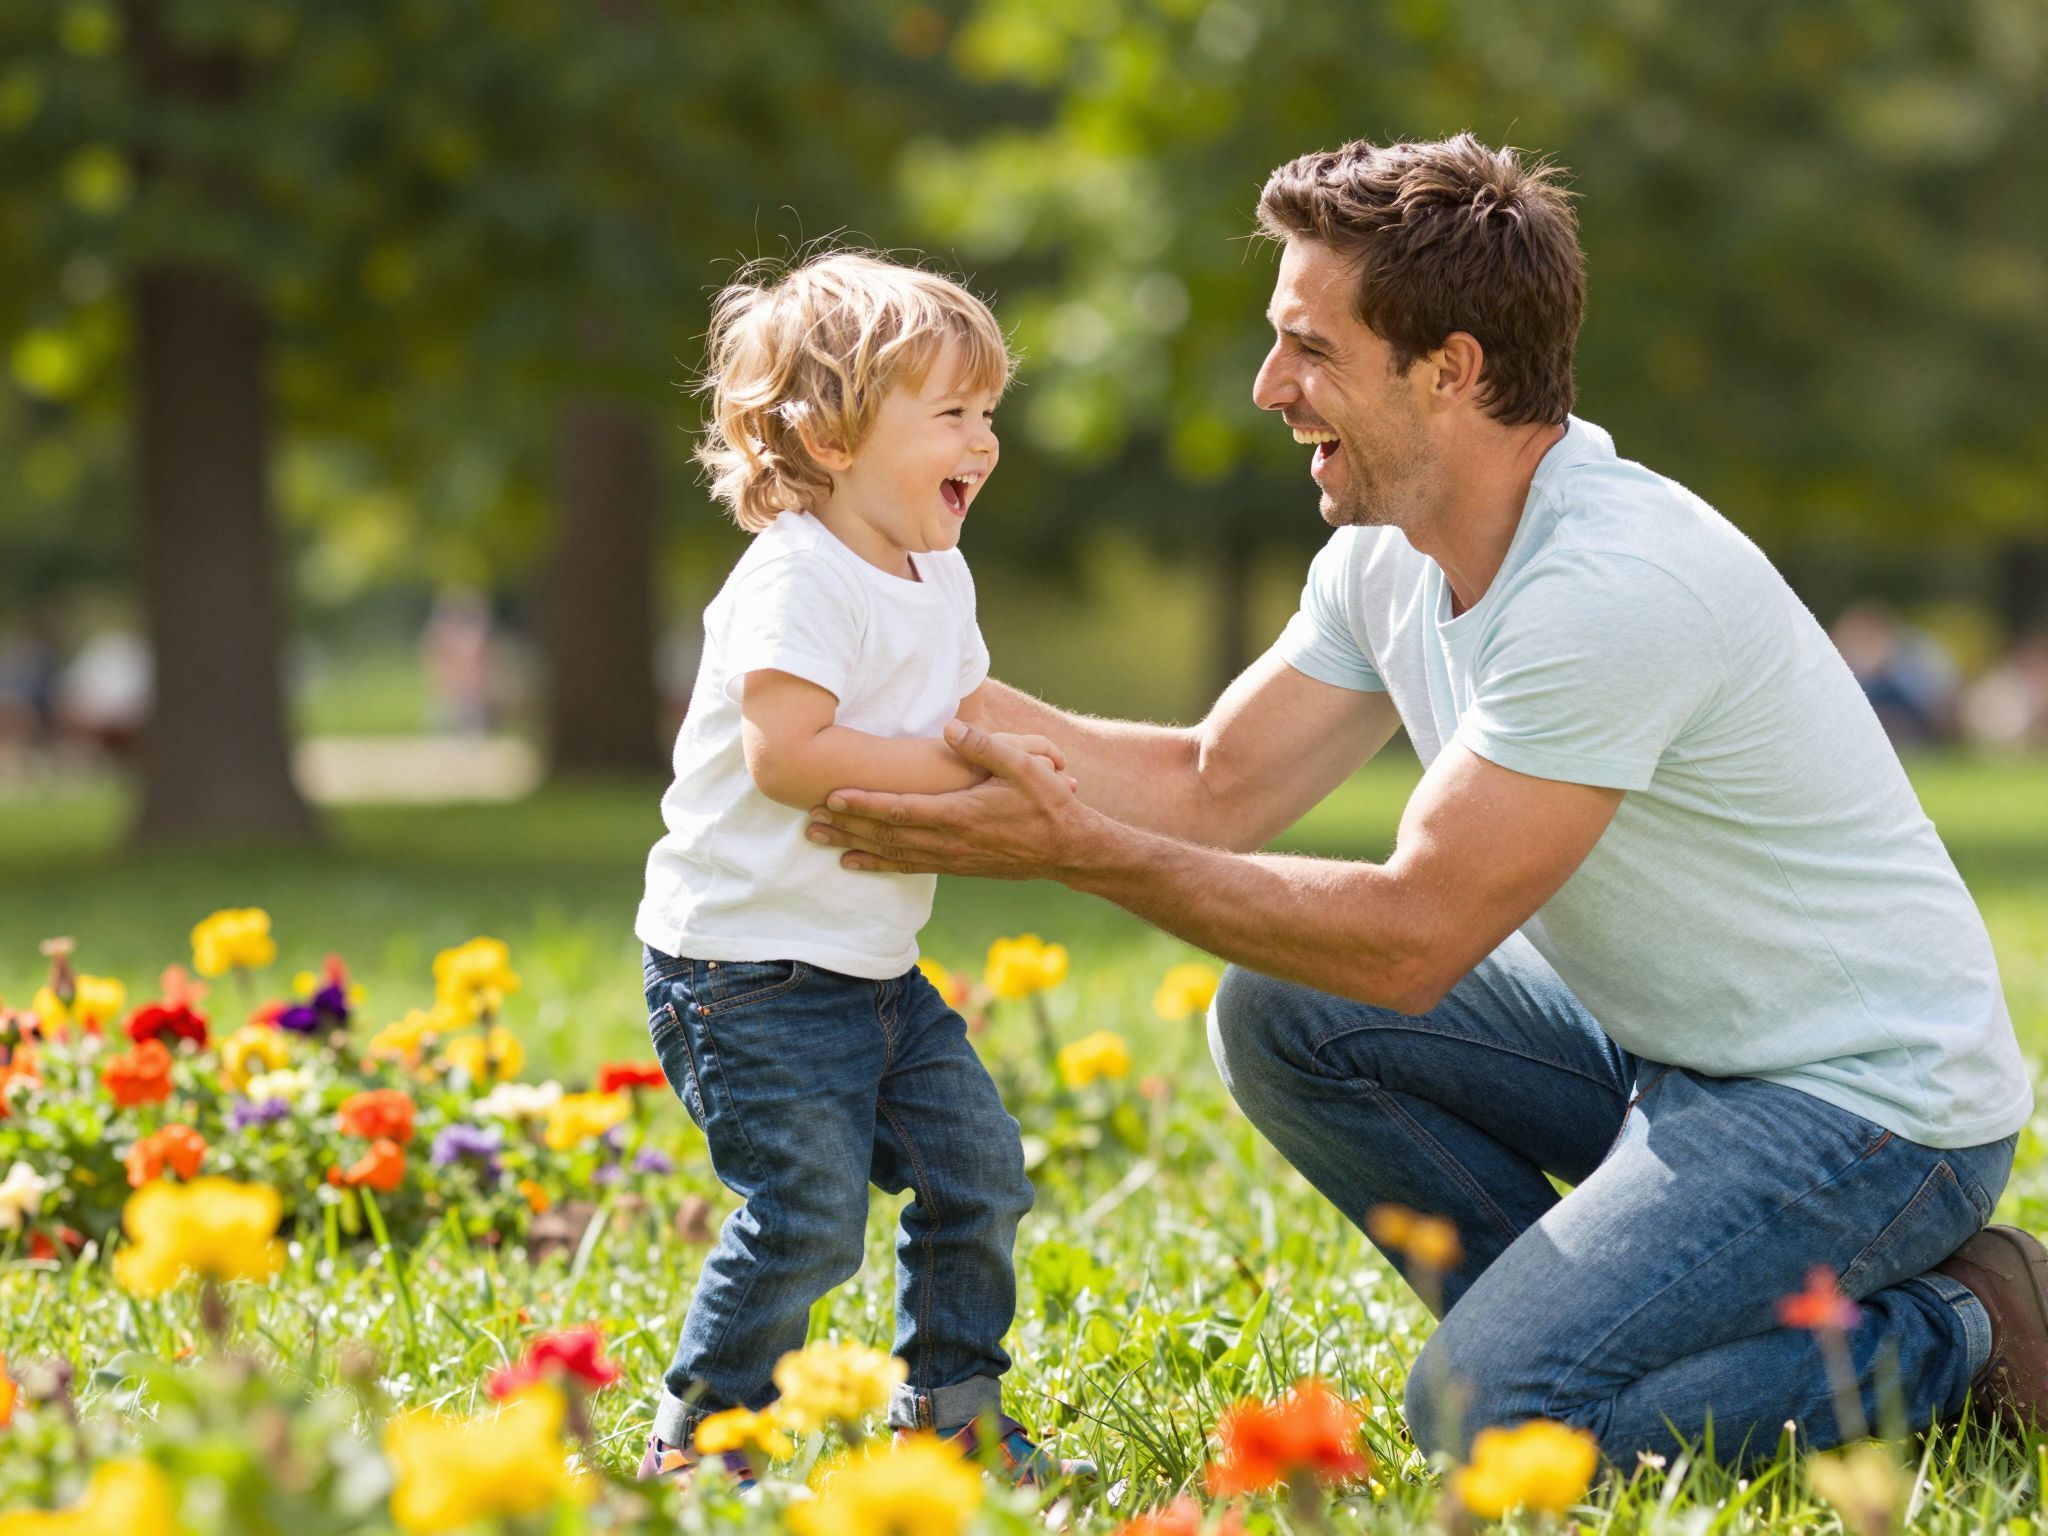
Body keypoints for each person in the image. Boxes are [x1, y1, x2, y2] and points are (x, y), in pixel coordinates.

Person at [805, 136, 2042, 1467]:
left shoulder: (1609, 588)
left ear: (1449, 369)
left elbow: (1411, 939)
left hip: (1864, 1104)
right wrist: (889, 660)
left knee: (1491, 1423)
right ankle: (1621, 1330)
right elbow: (1212, 784)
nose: (1272, 387)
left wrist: (1079, 854)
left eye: (1312, 349)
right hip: (1671, 1056)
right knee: (1285, 1011)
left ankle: (1967, 1326)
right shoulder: (1390, 556)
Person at [634, 250, 1085, 1488]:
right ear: (827, 438)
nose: (982, 442)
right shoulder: (793, 575)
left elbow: (955, 703)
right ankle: (705, 1441)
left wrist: (1012, 762)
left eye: (986, 413)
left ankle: (951, 1404)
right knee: (809, 1216)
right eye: (949, 414)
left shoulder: (937, 573)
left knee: (977, 1170)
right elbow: (790, 757)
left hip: (871, 969)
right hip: (744, 972)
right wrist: (970, 773)